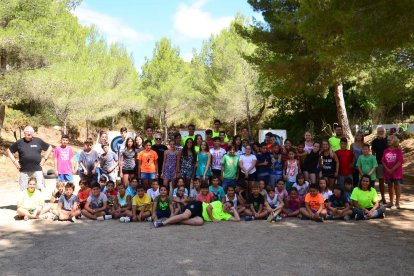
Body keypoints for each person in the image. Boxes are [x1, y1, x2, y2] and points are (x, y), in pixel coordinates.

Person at [7, 125, 52, 190]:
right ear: (24, 133)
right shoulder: (19, 142)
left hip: (37, 170)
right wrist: (15, 162)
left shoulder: (38, 141)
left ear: (33, 133)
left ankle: (37, 200)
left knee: (39, 188)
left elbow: (49, 148)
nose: (29, 133)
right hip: (24, 171)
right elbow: (9, 151)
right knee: (24, 190)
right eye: (27, 131)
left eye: (31, 131)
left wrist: (44, 159)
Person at [153, 200, 240, 227]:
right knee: (185, 216)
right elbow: (208, 208)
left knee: (199, 222)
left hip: (201, 215)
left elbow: (237, 219)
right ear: (223, 203)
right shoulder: (218, 203)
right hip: (199, 205)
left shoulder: (226, 215)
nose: (226, 207)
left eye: (229, 207)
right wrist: (213, 219)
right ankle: (162, 223)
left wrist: (234, 209)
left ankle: (177, 221)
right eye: (226, 205)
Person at [382, 135, 404, 209]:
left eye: (390, 140)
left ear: (394, 141)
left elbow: (400, 161)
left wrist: (392, 169)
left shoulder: (398, 150)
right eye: (387, 140)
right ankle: (391, 202)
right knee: (390, 186)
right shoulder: (385, 150)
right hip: (388, 172)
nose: (388, 141)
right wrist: (388, 169)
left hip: (396, 173)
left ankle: (397, 203)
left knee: (397, 186)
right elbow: (383, 161)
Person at [371, 126, 388, 204]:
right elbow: (373, 153)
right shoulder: (374, 141)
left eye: (382, 131)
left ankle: (386, 198)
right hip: (378, 163)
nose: (381, 132)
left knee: (386, 182)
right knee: (377, 181)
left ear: (384, 131)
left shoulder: (388, 140)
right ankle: (377, 198)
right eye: (379, 131)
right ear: (377, 132)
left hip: (388, 163)